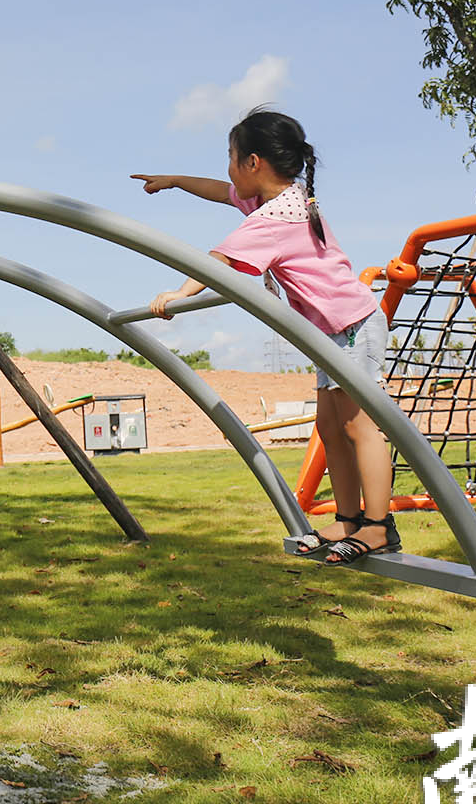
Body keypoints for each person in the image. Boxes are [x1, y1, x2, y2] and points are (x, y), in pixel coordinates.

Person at [132, 106, 395, 566]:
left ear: (253, 162)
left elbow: (220, 263)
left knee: (359, 426)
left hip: (354, 325)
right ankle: (349, 518)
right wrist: (173, 180)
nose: (228, 168)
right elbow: (222, 192)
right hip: (329, 331)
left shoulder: (275, 219)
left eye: (231, 156)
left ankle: (378, 527)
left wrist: (179, 292)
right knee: (330, 426)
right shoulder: (284, 198)